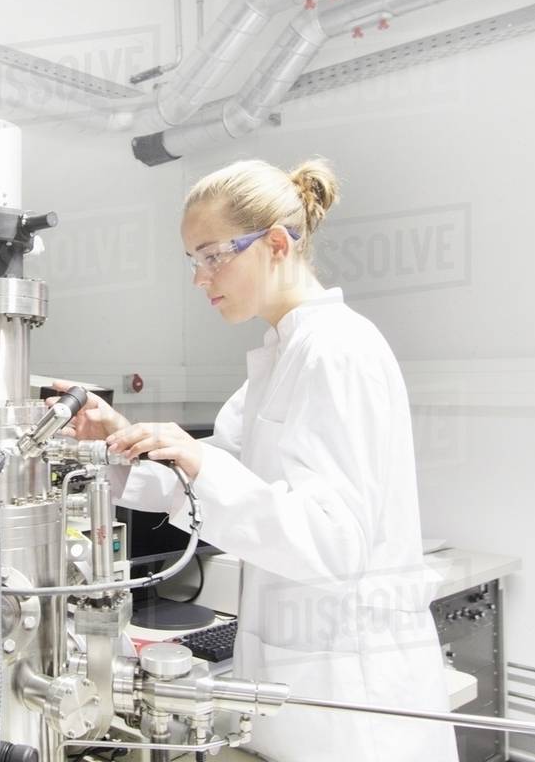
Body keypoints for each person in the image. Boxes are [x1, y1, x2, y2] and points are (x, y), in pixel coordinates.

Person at [52, 159, 457, 761]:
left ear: (274, 244)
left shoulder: (338, 352)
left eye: (213, 255)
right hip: (292, 681)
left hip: (353, 697)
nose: (200, 277)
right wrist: (118, 442)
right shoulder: (279, 359)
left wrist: (198, 465)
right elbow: (205, 481)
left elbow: (335, 541)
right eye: (193, 259)